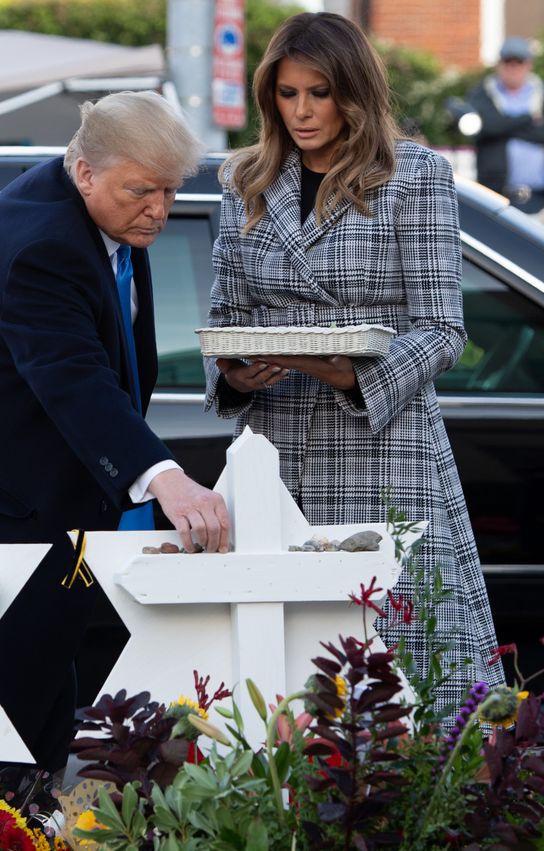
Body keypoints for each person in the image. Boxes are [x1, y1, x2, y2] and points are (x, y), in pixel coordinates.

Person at [0, 91, 231, 834]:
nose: (159, 211)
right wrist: (163, 475)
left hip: (41, 498)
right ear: (85, 170)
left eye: (171, 192)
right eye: (142, 191)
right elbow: (74, 377)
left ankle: (24, 828)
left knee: (44, 692)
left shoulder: (101, 209)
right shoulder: (42, 244)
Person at [206, 12, 504, 716]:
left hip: (385, 449)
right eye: (287, 94)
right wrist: (235, 373)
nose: (303, 111)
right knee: (277, 670)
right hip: (276, 454)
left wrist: (354, 375)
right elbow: (224, 318)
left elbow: (442, 328)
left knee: (400, 666)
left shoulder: (415, 175)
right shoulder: (245, 177)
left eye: (319, 92)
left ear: (354, 92)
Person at [466, 37, 544, 214]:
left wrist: (503, 126)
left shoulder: (540, 93)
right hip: (497, 196)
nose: (513, 68)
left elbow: (496, 127)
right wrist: (529, 119)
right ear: (499, 65)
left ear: (529, 65)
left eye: (519, 62)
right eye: (508, 62)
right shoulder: (481, 94)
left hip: (540, 199)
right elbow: (487, 127)